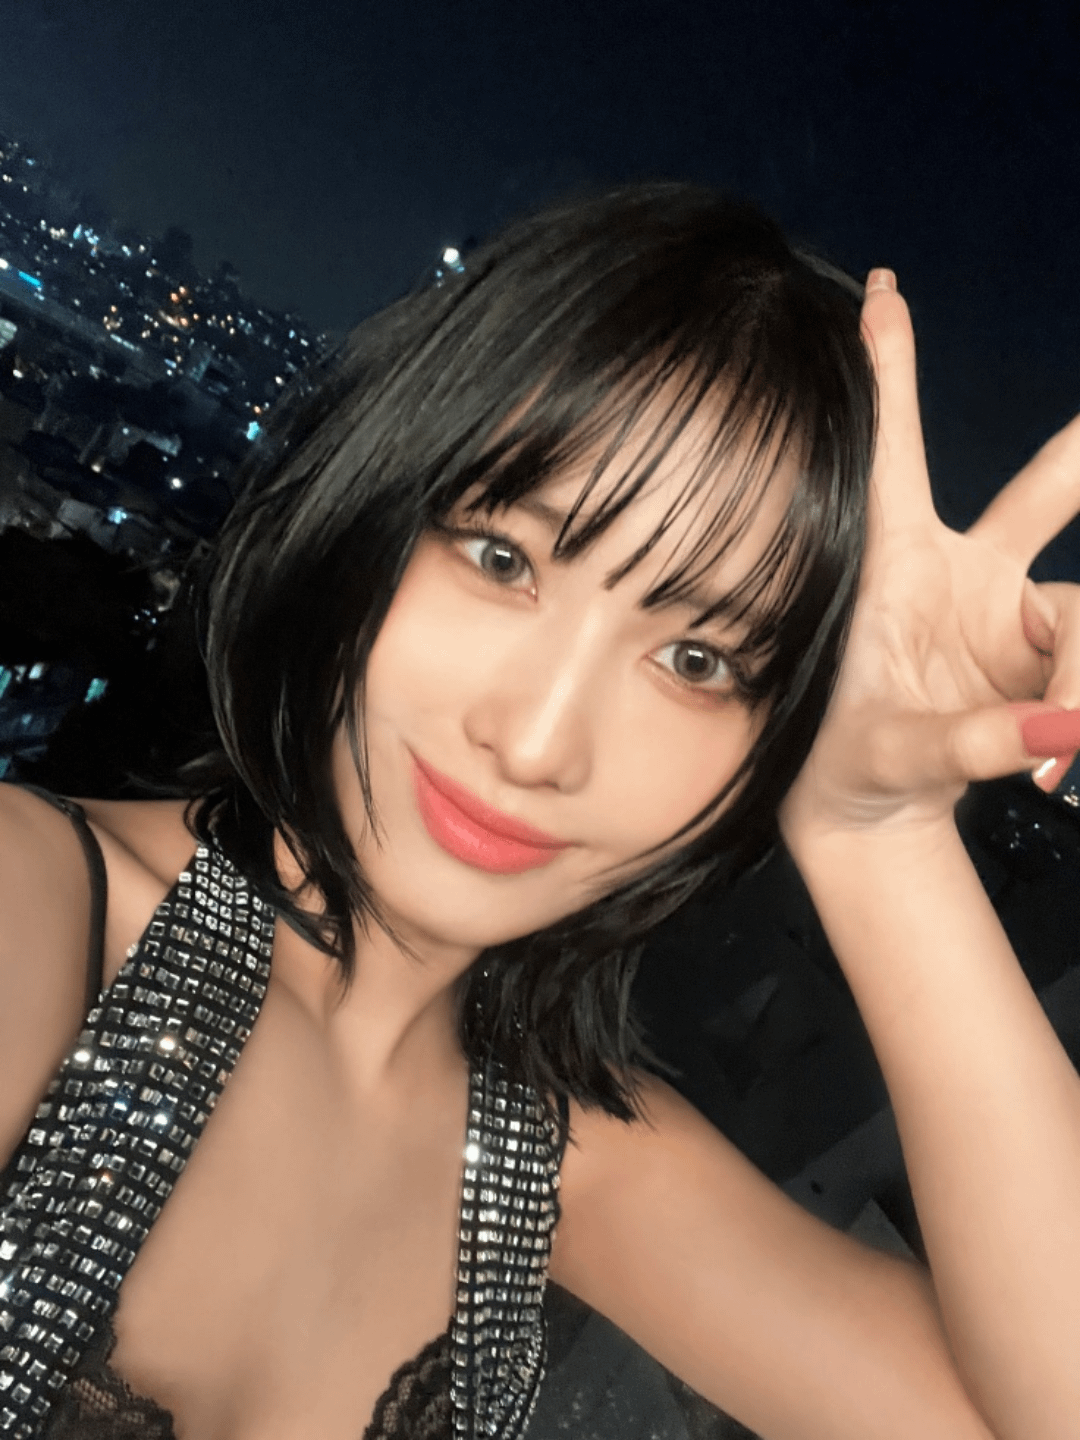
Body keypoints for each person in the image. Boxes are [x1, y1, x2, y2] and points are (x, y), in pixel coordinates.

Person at [1, 182, 1079, 1440]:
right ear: (372, 509)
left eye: (699, 662)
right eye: (502, 559)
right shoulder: (40, 912)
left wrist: (880, 836)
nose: (536, 744)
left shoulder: (552, 1162)